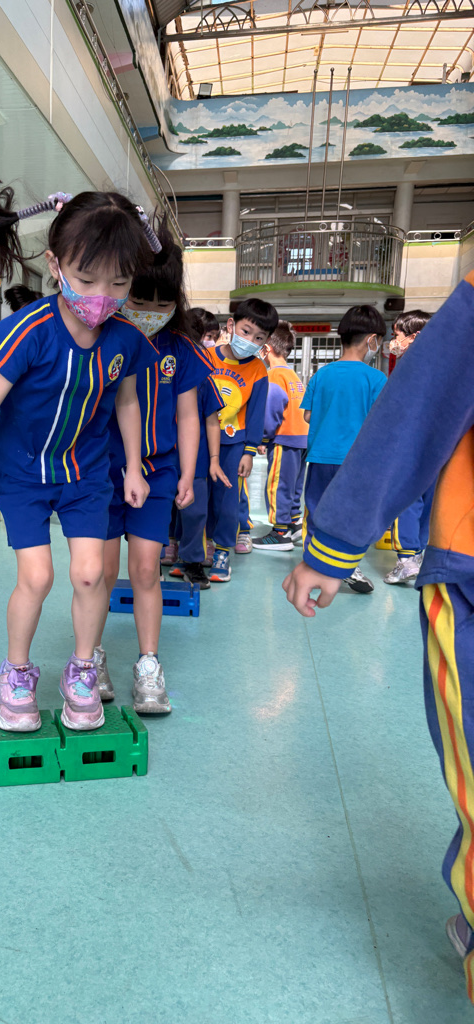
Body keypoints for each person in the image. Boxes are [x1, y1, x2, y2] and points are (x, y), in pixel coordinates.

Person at [281, 273, 474, 1001]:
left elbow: (415, 413)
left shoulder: (325, 377)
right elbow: (404, 410)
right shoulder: (369, 377)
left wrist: (331, 543)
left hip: (334, 464)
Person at [0, 181, 161, 733]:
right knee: (37, 576)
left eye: (119, 282)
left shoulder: (124, 339)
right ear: (55, 265)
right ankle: (16, 673)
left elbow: (126, 401)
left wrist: (132, 466)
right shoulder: (31, 330)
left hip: (85, 472)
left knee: (91, 574)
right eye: (87, 279)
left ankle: (82, 671)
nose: (102, 295)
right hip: (23, 473)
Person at [95, 217, 215, 712]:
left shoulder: (180, 348)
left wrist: (187, 473)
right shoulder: (101, 337)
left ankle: (148, 664)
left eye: (163, 304)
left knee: (146, 568)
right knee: (99, 572)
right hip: (100, 471)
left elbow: (188, 415)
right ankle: (90, 657)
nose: (150, 313)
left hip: (159, 472)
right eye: (140, 300)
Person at [299, 304, 387, 593]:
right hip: (357, 462)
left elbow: (308, 416)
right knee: (351, 513)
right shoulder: (376, 378)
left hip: (321, 457)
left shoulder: (321, 374)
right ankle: (346, 566)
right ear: (372, 339)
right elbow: (381, 423)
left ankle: (313, 564)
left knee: (317, 510)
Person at [204, 297, 276, 583]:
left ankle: (223, 550)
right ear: (231, 325)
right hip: (200, 440)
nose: (250, 340)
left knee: (227, 499)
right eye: (246, 331)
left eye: (259, 338)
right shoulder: (206, 357)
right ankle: (201, 545)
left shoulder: (258, 370)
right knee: (200, 495)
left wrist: (249, 451)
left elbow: (256, 413)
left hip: (233, 445)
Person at [384, 309, 434, 585]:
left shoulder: (411, 366)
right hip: (437, 445)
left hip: (410, 441)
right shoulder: (442, 364)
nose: (394, 341)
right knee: (428, 500)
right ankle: (419, 556)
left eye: (397, 335)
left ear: (414, 337)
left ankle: (406, 560)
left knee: (405, 498)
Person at [253, 320, 308, 551]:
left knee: (277, 485)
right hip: (302, 438)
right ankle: (294, 524)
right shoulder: (292, 375)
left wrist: (263, 438)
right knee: (293, 485)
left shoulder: (274, 375)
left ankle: (280, 533)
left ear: (266, 348)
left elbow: (272, 410)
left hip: (284, 438)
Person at [169, 374, 228, 587]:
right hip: (159, 458)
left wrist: (214, 459)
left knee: (195, 513)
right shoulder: (154, 375)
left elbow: (212, 422)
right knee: (157, 511)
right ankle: (153, 560)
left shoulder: (202, 381)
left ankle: (192, 561)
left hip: (196, 460)